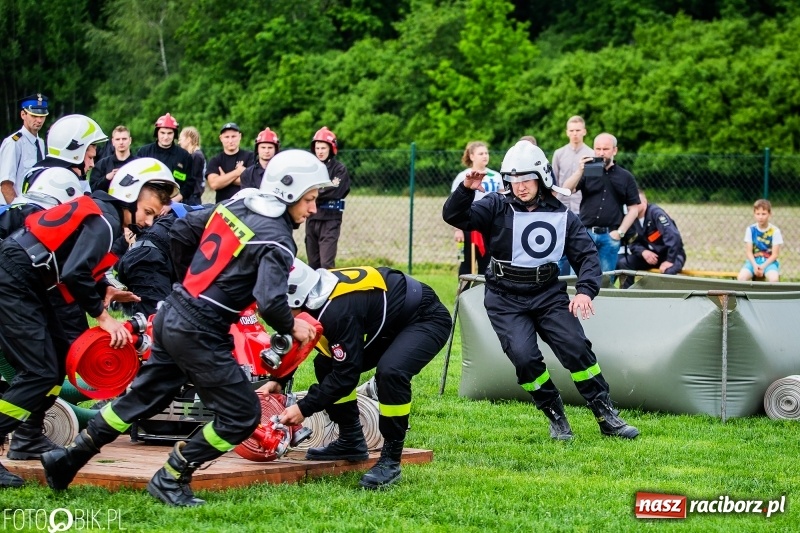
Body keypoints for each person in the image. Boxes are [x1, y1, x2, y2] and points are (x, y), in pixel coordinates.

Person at [41, 150, 331, 507]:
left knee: (140, 399)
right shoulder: (277, 237)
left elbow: (180, 230)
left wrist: (188, 282)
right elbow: (271, 302)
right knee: (242, 415)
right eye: (311, 199)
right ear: (289, 192)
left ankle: (68, 459)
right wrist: (292, 326)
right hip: (200, 331)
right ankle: (172, 476)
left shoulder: (237, 207)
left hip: (170, 314)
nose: (314, 209)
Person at [442, 140, 639, 442]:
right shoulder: (496, 205)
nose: (520, 186)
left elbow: (587, 256)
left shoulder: (562, 215)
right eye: (514, 180)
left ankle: (605, 414)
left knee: (576, 349)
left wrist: (586, 291)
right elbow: (456, 217)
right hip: (504, 298)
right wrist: (466, 190)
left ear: (541, 177)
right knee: (524, 358)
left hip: (548, 294)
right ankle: (555, 414)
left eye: (526, 179)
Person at [0, 158, 178, 488]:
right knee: (38, 370)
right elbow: (73, 273)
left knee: (53, 366)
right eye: (149, 209)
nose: (149, 220)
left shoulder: (102, 214)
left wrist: (105, 289)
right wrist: (103, 316)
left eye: (155, 216)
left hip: (28, 280)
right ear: (130, 191)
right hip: (14, 279)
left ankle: (27, 438)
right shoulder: (107, 221)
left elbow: (70, 262)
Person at [271, 258, 451, 489]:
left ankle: (390, 460)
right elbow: (301, 342)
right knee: (325, 365)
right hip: (390, 321)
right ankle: (351, 440)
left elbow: (346, 376)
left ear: (296, 297)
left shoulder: (336, 312)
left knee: (391, 372)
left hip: (425, 317)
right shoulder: (315, 295)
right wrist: (279, 379)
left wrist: (304, 408)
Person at [561, 132, 640, 277]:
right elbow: (566, 190)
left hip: (610, 236)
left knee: (605, 281)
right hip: (585, 234)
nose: (601, 153)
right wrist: (580, 170)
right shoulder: (587, 172)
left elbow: (634, 209)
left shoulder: (626, 177)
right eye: (598, 149)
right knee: (576, 278)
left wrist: (620, 233)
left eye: (605, 149)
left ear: (614, 150)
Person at [450, 141, 502, 276]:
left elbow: (503, 200)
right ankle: (463, 293)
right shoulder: (463, 177)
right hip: (469, 226)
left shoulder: (496, 176)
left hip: (490, 227)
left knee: (488, 263)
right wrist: (458, 230)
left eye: (486, 153)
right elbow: (455, 206)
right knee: (467, 263)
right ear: (472, 156)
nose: (485, 156)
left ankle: (484, 293)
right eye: (481, 153)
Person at [616, 189, 685, 288]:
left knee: (668, 271)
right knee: (624, 263)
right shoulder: (631, 218)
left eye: (635, 202)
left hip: (671, 255)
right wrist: (643, 252)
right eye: (629, 203)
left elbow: (673, 237)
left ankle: (664, 299)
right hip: (650, 257)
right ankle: (626, 295)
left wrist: (669, 260)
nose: (631, 206)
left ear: (644, 202)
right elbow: (632, 242)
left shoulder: (656, 213)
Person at [552, 116, 594, 275]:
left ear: (584, 131)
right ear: (566, 132)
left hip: (581, 208)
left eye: (578, 130)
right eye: (571, 130)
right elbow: (554, 182)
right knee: (560, 251)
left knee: (578, 249)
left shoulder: (591, 154)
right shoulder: (559, 153)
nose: (575, 134)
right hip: (561, 208)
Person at [305, 126, 350, 269]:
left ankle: (329, 292)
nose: (320, 151)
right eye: (317, 148)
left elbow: (336, 191)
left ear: (331, 148)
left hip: (330, 219)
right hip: (312, 217)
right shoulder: (310, 168)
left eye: (323, 148)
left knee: (326, 264)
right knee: (313, 263)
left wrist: (311, 191)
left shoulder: (339, 169)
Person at [136, 113, 195, 204]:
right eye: (162, 133)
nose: (166, 137)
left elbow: (190, 184)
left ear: (174, 134)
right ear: (157, 133)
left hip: (175, 205)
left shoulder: (184, 156)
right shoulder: (144, 152)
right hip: (147, 203)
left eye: (169, 133)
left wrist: (171, 203)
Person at [0, 94, 48, 204]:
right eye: (34, 116)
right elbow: (6, 185)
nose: (39, 120)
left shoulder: (40, 142)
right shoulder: (14, 142)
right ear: (23, 114)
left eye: (42, 116)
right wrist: (17, 211)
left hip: (35, 207)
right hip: (16, 210)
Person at [206, 122, 255, 203]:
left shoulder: (250, 157)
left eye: (233, 136)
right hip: (222, 207)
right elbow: (214, 184)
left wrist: (224, 177)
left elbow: (252, 181)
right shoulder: (215, 160)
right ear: (221, 138)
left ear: (240, 136)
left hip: (245, 206)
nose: (230, 140)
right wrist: (238, 172)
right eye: (227, 137)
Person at [738, 199, 782, 282]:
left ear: (769, 214)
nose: (760, 217)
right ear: (754, 214)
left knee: (774, 279)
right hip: (753, 261)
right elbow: (749, 252)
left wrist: (762, 267)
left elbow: (775, 255)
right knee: (741, 278)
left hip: (769, 263)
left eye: (764, 214)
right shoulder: (750, 230)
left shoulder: (775, 231)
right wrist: (755, 266)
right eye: (758, 214)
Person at [90, 125, 135, 193]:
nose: (121, 142)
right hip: (108, 202)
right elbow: (91, 190)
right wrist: (106, 178)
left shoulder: (138, 164)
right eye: (117, 139)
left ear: (130, 140)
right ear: (113, 142)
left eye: (124, 139)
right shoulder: (101, 165)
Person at [178, 126, 206, 205]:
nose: (179, 142)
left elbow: (189, 178)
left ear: (188, 139)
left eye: (181, 139)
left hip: (192, 197)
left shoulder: (195, 156)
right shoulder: (197, 155)